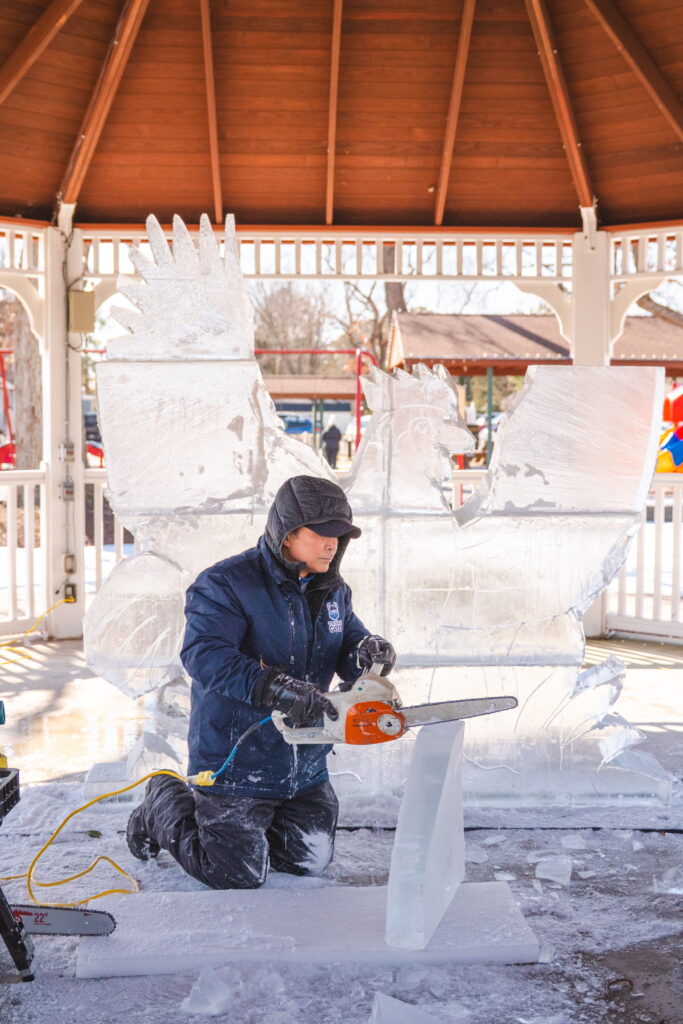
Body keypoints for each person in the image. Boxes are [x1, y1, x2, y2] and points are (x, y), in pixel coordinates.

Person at [126, 474, 396, 889]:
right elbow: (205, 655)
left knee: (307, 863)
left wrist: (366, 652)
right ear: (287, 535)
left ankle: (256, 828)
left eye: (340, 535)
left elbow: (345, 642)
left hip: (304, 761)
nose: (333, 544)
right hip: (236, 758)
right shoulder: (226, 583)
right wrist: (275, 688)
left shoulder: (332, 588)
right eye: (322, 533)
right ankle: (162, 798)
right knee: (235, 873)